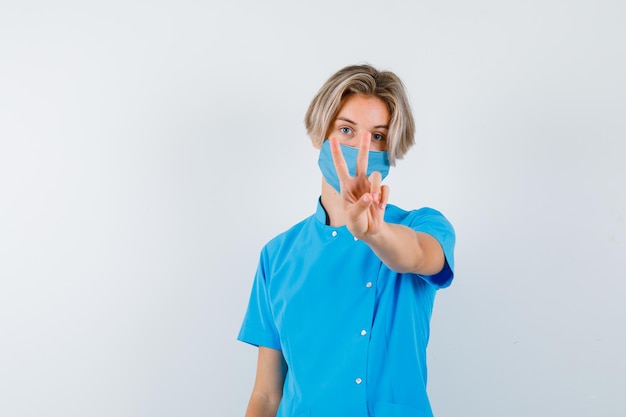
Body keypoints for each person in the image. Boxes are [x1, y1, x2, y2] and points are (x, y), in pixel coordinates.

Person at [238, 64, 456, 417]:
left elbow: (415, 256)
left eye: (378, 136)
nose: (362, 147)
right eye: (346, 129)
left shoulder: (424, 225)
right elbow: (265, 396)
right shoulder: (277, 255)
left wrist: (374, 233)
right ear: (317, 135)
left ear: (392, 148)